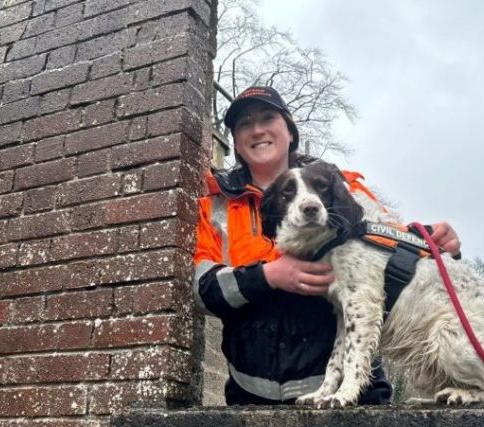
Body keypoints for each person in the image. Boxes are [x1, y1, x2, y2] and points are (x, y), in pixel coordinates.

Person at [193, 86, 462, 405]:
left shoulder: (340, 186)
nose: (258, 129)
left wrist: (442, 244)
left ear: (289, 132)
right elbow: (202, 291)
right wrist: (268, 276)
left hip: (350, 397)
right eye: (245, 123)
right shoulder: (214, 208)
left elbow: (392, 248)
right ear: (235, 142)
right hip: (252, 397)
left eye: (268, 118)